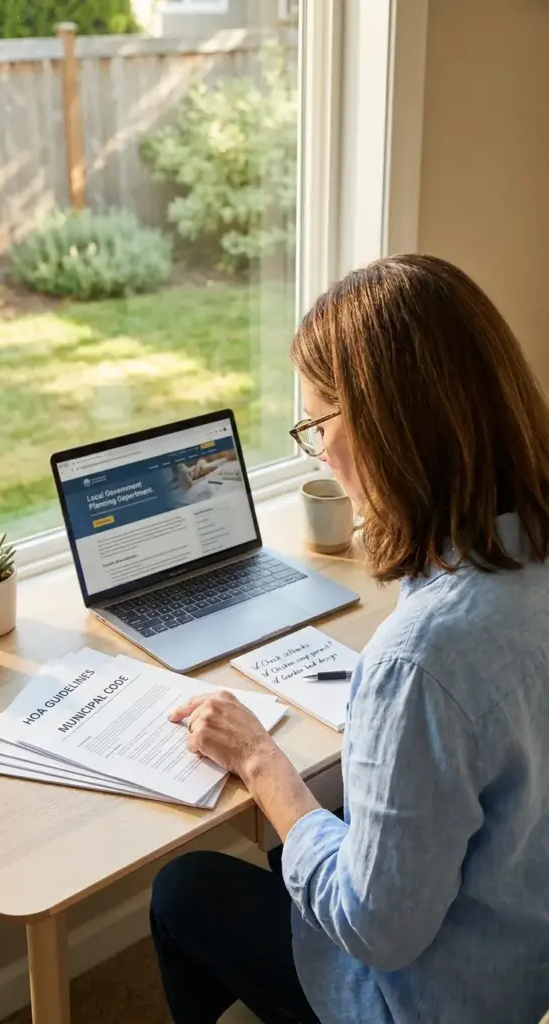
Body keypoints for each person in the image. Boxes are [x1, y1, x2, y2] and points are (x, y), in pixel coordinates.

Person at [150, 255, 549, 1024]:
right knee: (295, 851)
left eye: (317, 426)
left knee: (187, 889)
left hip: (427, 1002)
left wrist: (262, 764)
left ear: (390, 429)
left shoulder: (423, 659)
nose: (320, 452)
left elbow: (376, 929)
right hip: (525, 956)